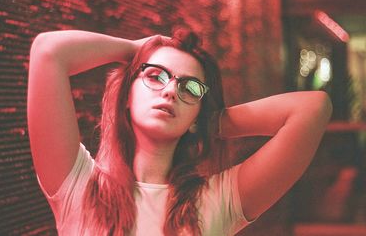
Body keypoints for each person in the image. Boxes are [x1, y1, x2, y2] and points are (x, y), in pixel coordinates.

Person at [27, 28, 332, 236]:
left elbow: (312, 108)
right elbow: (48, 50)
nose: (171, 90)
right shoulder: (79, 185)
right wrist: (136, 50)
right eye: (155, 76)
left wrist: (203, 120)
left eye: (190, 87)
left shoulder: (217, 199)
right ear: (126, 99)